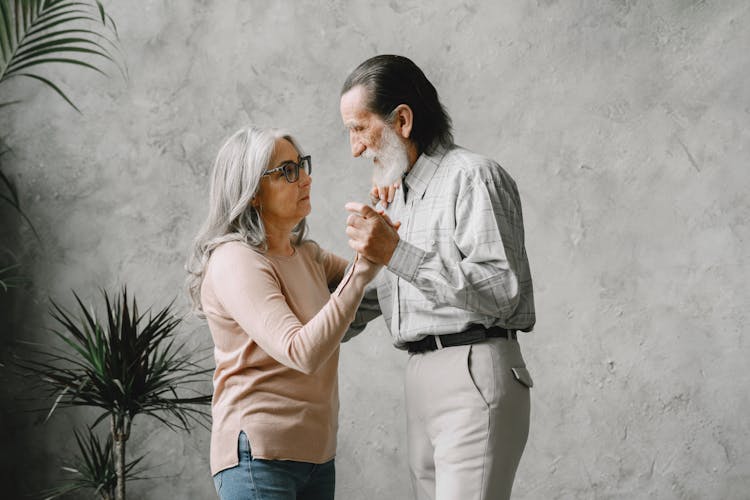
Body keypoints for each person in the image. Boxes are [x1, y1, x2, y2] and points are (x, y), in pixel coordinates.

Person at [340, 55, 536, 500]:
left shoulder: (473, 176)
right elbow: (387, 293)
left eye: (359, 128)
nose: (354, 149)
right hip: (420, 373)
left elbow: (502, 291)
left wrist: (394, 252)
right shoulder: (398, 195)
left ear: (402, 120)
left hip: (473, 367)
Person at [186, 126, 380, 500]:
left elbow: (368, 299)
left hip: (317, 455)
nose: (305, 178)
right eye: (288, 171)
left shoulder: (307, 255)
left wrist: (388, 223)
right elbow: (301, 352)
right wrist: (362, 270)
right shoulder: (235, 260)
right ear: (253, 193)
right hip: (259, 457)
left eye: (302, 165)